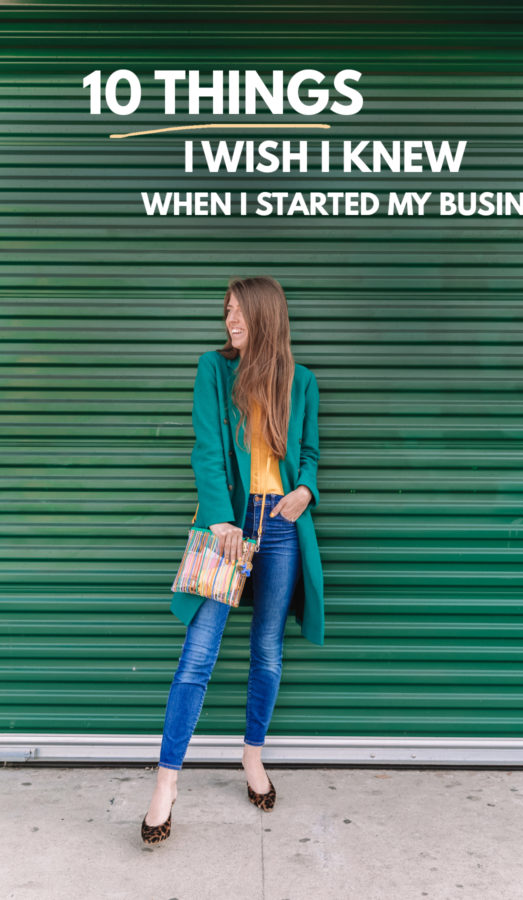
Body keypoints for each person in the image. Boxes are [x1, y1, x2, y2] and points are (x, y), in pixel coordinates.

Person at [141, 275, 324, 843]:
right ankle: (166, 782)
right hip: (228, 525)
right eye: (227, 311)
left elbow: (311, 452)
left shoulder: (302, 382)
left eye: (240, 311)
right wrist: (220, 517)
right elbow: (205, 447)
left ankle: (251, 757)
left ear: (267, 316)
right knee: (198, 654)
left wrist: (306, 491)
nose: (231, 320)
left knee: (267, 650)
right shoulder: (213, 370)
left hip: (282, 526)